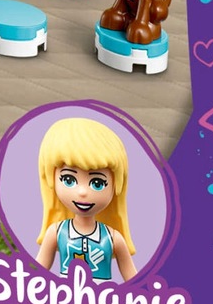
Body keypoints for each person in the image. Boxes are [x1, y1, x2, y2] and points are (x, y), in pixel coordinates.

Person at [35, 117, 138, 282]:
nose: (82, 192)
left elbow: (134, 279)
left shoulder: (112, 238)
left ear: (116, 184)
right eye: (69, 180)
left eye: (97, 183)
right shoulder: (57, 232)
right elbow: (37, 273)